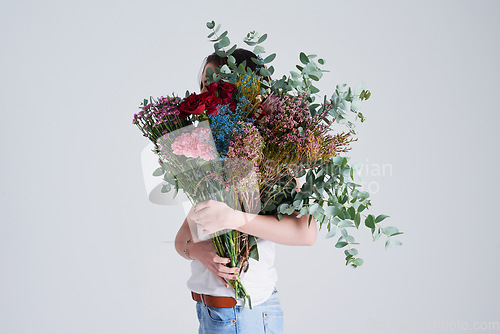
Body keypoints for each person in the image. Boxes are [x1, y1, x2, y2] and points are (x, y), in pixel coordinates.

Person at [174, 49, 317, 334]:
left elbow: (306, 234)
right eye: (205, 84)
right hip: (211, 312)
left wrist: (233, 218)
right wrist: (197, 250)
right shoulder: (213, 157)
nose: (209, 92)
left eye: (219, 84)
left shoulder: (273, 156)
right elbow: (182, 239)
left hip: (244, 313)